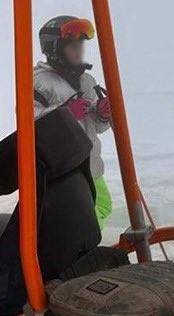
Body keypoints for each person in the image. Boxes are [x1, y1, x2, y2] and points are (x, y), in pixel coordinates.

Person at [33, 15, 114, 227]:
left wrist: (102, 115)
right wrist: (64, 113)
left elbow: (96, 126)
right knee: (80, 215)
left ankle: (84, 247)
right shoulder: (39, 81)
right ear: (54, 49)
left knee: (102, 205)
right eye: (71, 45)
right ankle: (78, 250)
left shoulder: (86, 81)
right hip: (65, 167)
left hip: (91, 162)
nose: (79, 50)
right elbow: (31, 121)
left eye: (81, 44)